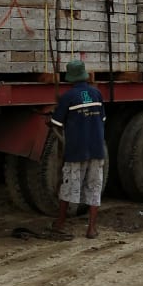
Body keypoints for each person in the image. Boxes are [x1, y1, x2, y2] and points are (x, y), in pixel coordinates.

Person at [50, 59, 106, 239]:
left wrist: (53, 117)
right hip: (97, 148)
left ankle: (60, 224)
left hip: (76, 150)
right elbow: (102, 119)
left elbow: (57, 123)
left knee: (68, 186)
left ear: (70, 78)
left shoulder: (68, 97)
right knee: (94, 186)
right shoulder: (97, 94)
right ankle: (91, 229)